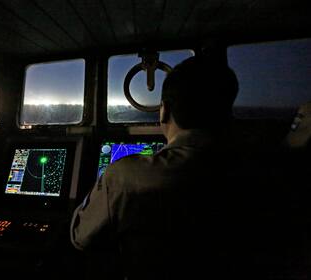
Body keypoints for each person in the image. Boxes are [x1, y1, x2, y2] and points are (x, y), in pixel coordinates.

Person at [70, 55, 240, 279]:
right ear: (226, 112)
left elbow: (81, 236)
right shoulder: (261, 168)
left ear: (164, 110)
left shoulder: (122, 177)